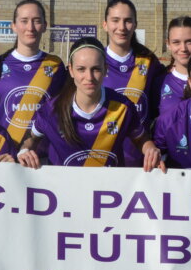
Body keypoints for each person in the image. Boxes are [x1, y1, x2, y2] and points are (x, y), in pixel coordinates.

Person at [17, 36, 162, 170]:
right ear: (71, 70)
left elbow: (141, 139)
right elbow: (31, 139)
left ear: (105, 69)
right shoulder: (52, 110)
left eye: (96, 69)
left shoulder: (123, 107)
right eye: (81, 69)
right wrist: (24, 151)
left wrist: (150, 149)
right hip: (63, 194)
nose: (89, 77)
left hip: (109, 193)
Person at [0, 0, 65, 144]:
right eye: (24, 21)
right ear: (14, 26)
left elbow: (62, 111)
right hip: (5, 155)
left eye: (36, 21)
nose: (30, 27)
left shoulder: (56, 66)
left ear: (45, 26)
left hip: (42, 158)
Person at [101, 0, 166, 161]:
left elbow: (162, 102)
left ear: (135, 25)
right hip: (99, 155)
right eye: (115, 20)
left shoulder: (149, 62)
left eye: (128, 21)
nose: (121, 27)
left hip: (140, 159)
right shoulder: (94, 60)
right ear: (105, 25)